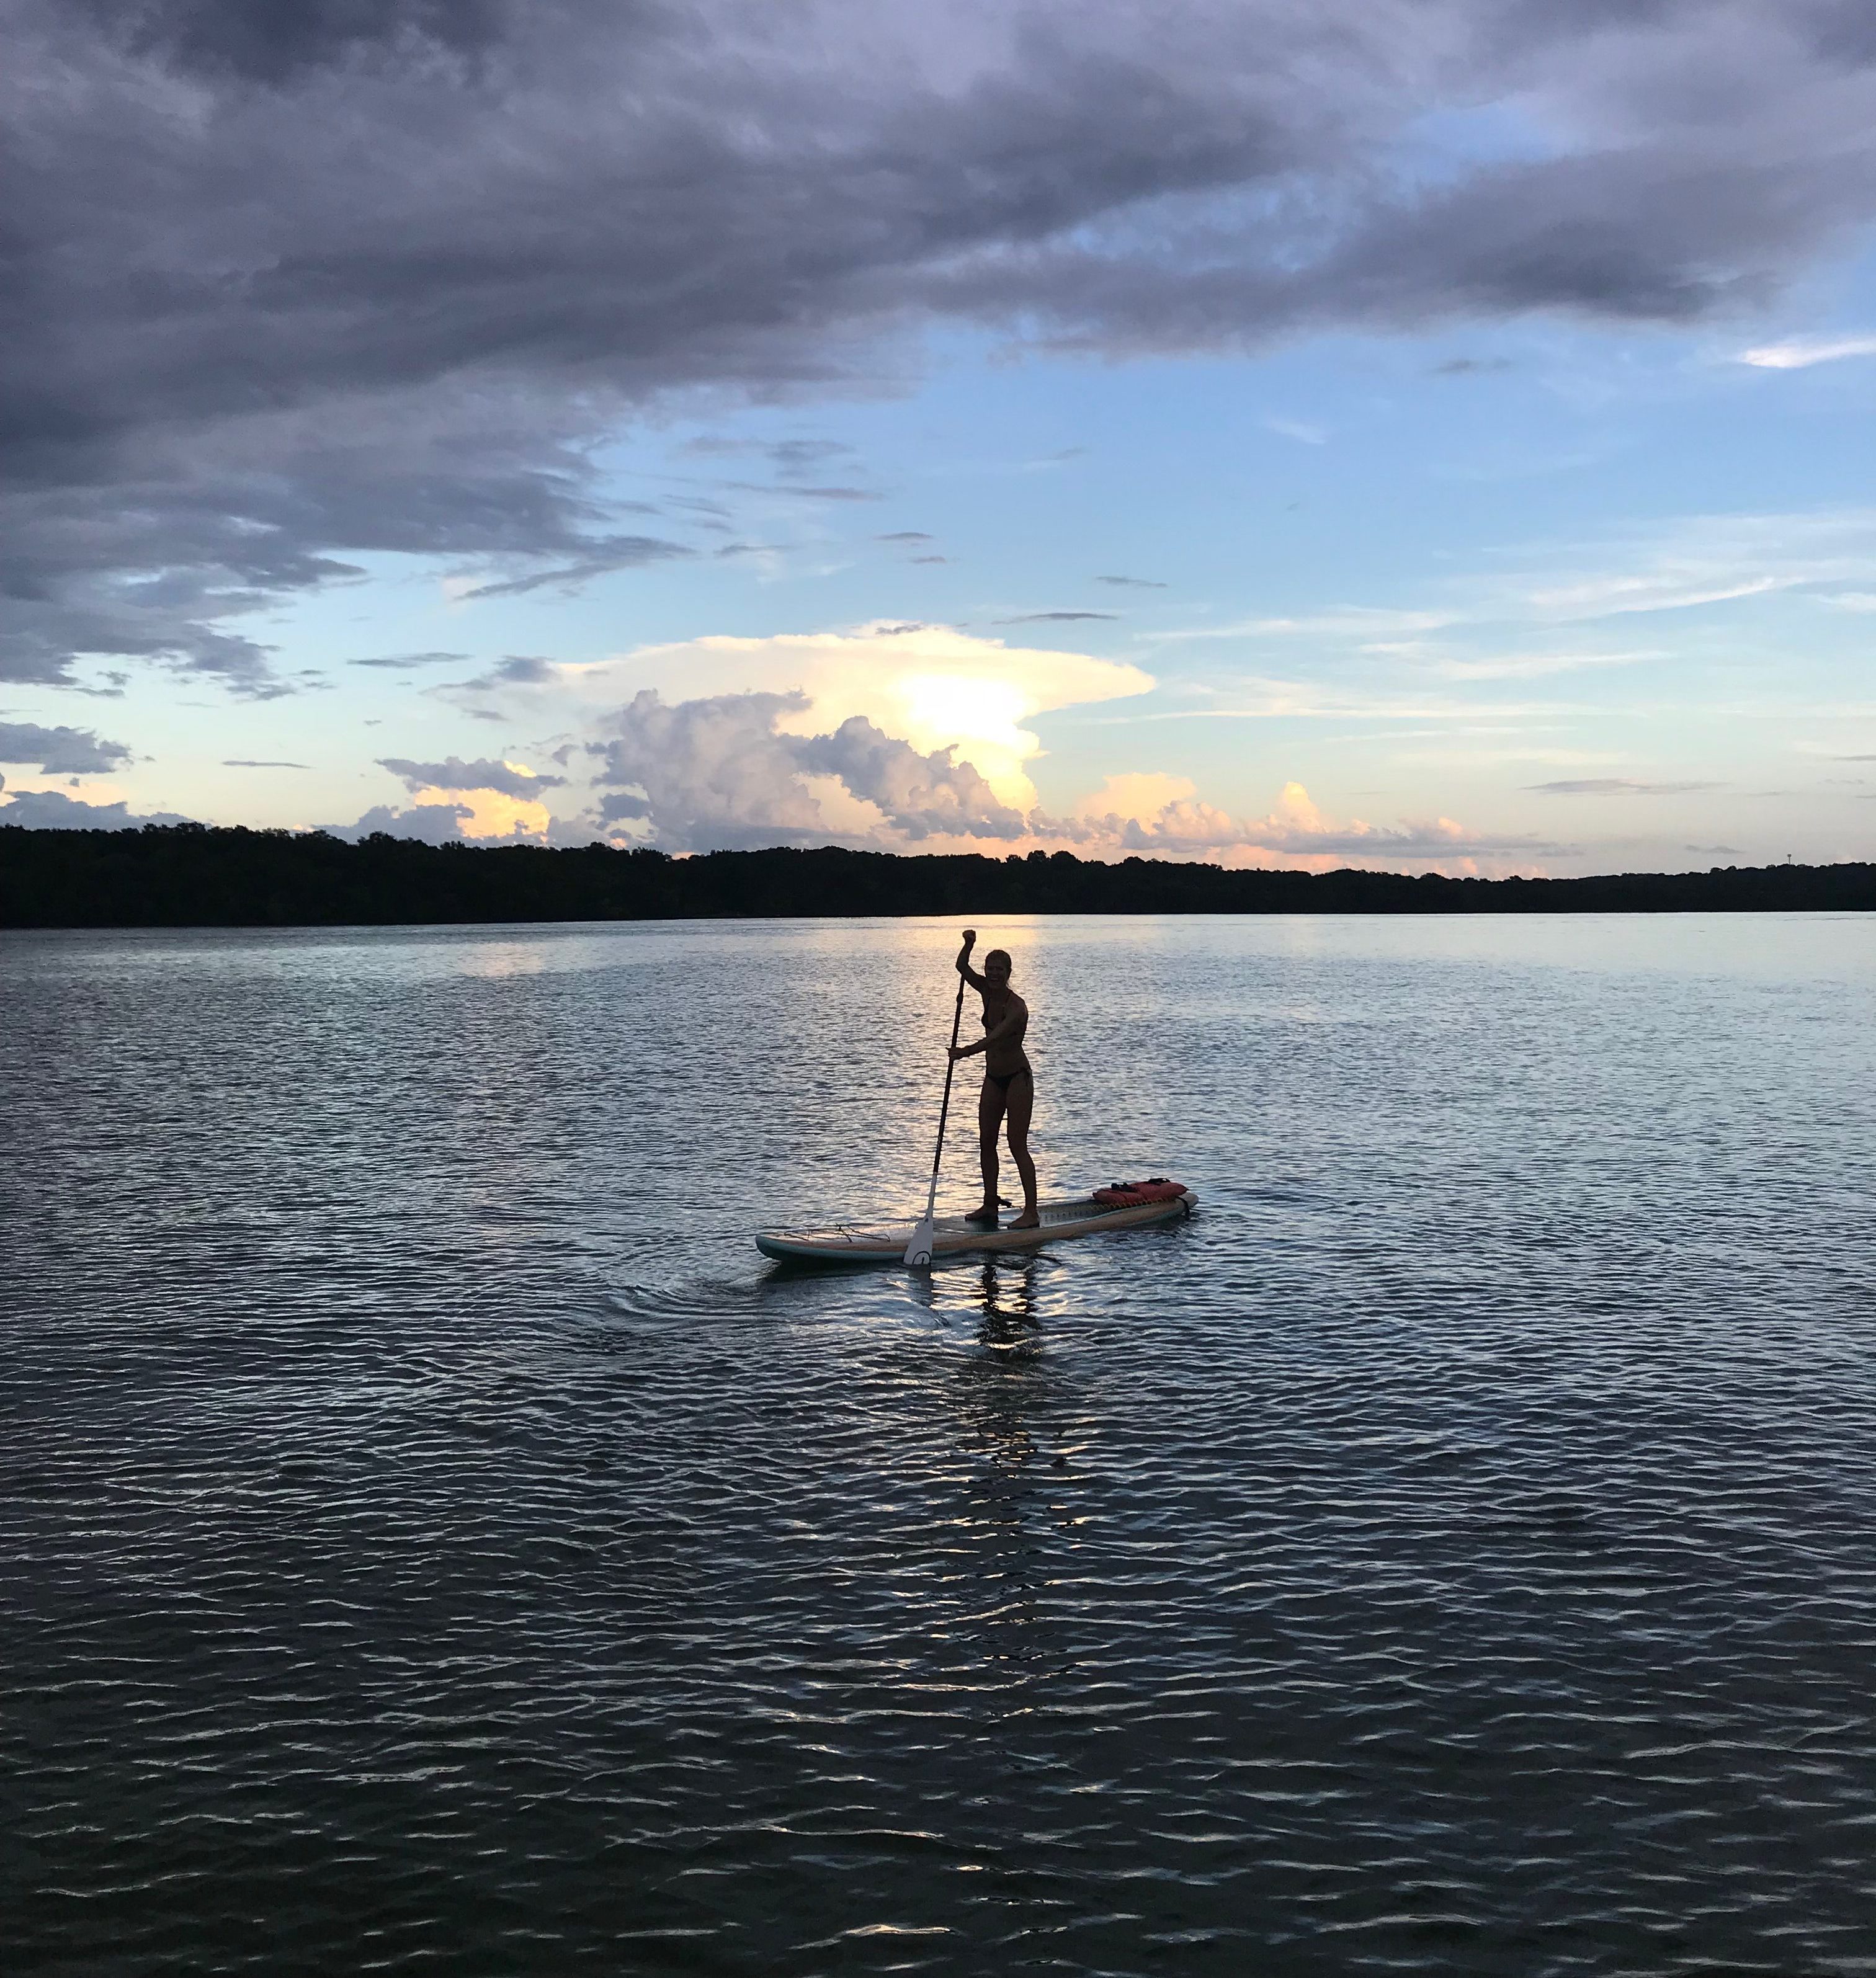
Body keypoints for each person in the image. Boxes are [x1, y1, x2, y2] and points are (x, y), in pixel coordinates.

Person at [950, 930, 1038, 1229]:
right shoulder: (986, 991)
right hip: (993, 1078)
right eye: (989, 969)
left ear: (1009, 973)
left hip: (1017, 1079)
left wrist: (965, 1052)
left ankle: (1031, 1212)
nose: (993, 974)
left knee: (1017, 1144)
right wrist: (969, 945)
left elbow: (995, 1038)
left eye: (999, 970)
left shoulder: (1017, 1007)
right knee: (986, 1141)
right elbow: (962, 967)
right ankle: (990, 1204)